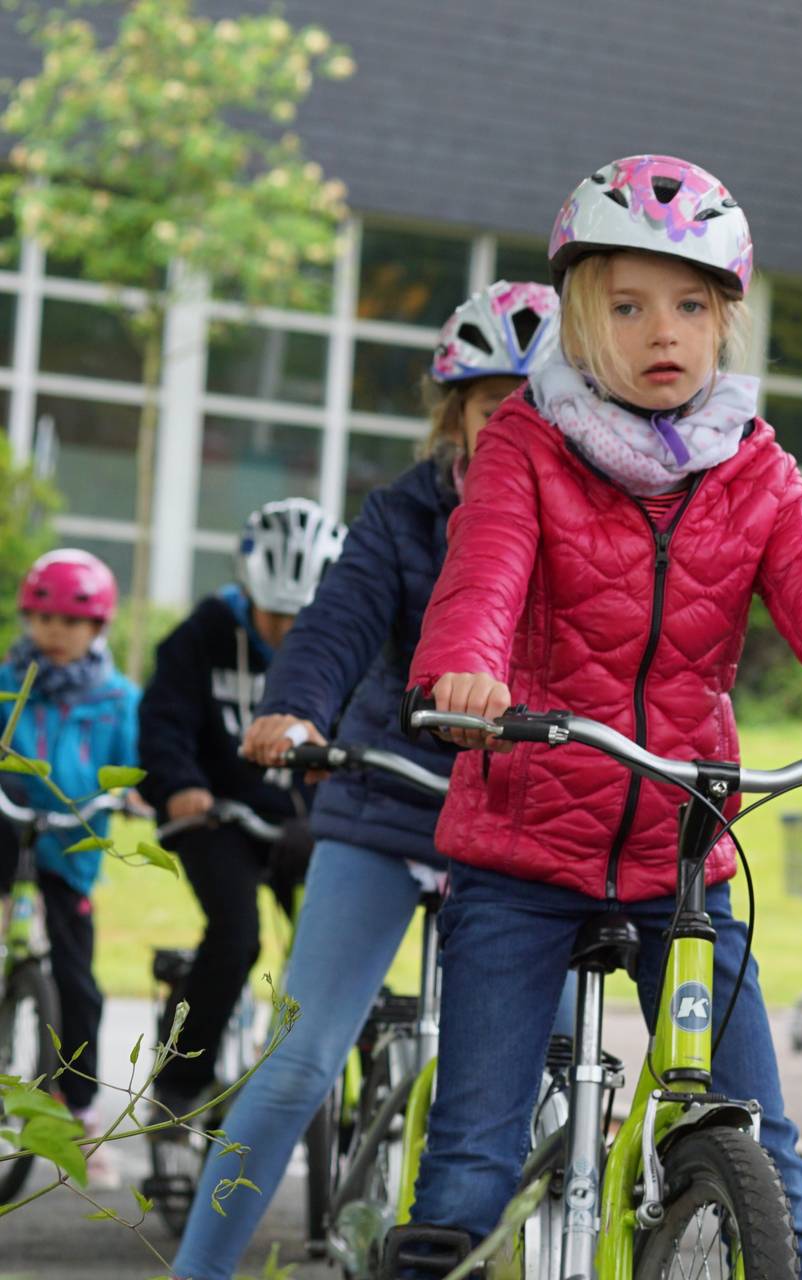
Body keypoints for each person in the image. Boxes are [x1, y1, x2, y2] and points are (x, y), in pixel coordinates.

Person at [398, 154, 802, 1280]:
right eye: (630, 303)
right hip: (522, 845)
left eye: (693, 304)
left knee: (758, 1141)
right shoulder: (527, 445)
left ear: (727, 320)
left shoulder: (752, 469)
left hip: (682, 853)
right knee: (469, 1164)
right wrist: (464, 675)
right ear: (578, 318)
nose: (666, 330)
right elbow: (485, 571)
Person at [164, 280, 558, 1280]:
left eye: (535, 403)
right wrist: (295, 709)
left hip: (525, 820)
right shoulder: (402, 514)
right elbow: (338, 622)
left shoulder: (597, 516)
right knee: (301, 1058)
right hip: (390, 797)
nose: (508, 425)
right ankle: (197, 1268)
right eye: (487, 404)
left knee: (560, 1068)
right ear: (453, 414)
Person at [139, 498, 344, 1120]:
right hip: (215, 815)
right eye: (274, 612)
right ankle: (179, 1087)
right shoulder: (200, 636)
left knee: (334, 942)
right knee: (238, 935)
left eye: (298, 614)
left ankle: (341, 1092)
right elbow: (161, 723)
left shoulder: (341, 648)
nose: (285, 629)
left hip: (302, 823)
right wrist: (179, 784)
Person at [0, 549, 135, 1182]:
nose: (55, 633)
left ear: (98, 628)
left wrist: (137, 791)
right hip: (8, 832)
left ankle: (78, 1109)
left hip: (71, 849)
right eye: (43, 619)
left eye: (71, 622)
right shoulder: (8, 686)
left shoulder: (116, 699)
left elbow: (136, 763)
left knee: (79, 983)